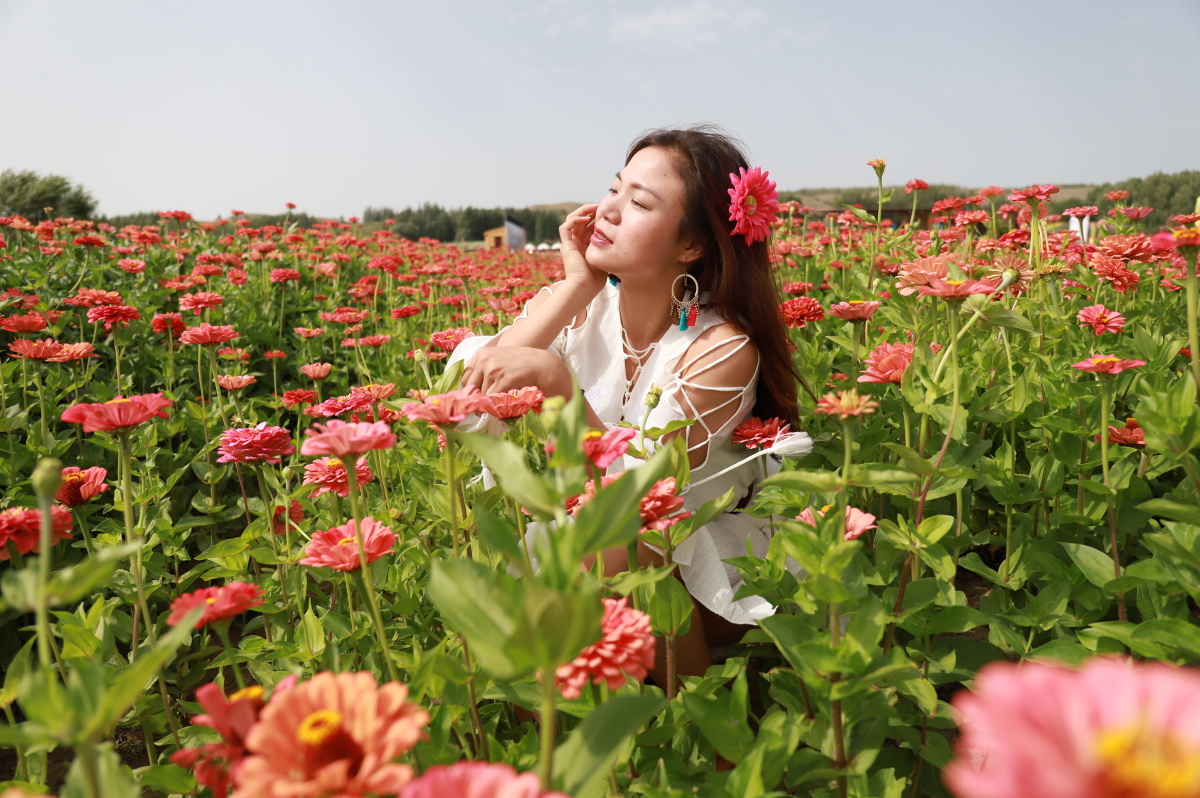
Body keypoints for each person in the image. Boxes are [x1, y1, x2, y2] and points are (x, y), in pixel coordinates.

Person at [455, 126, 803, 682]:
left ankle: (698, 736)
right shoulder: (584, 308)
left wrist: (559, 384)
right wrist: (576, 286)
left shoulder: (722, 349)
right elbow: (469, 401)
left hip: (701, 560)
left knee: (623, 548)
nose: (609, 211)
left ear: (692, 245)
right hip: (584, 533)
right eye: (614, 189)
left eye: (639, 202)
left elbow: (645, 500)